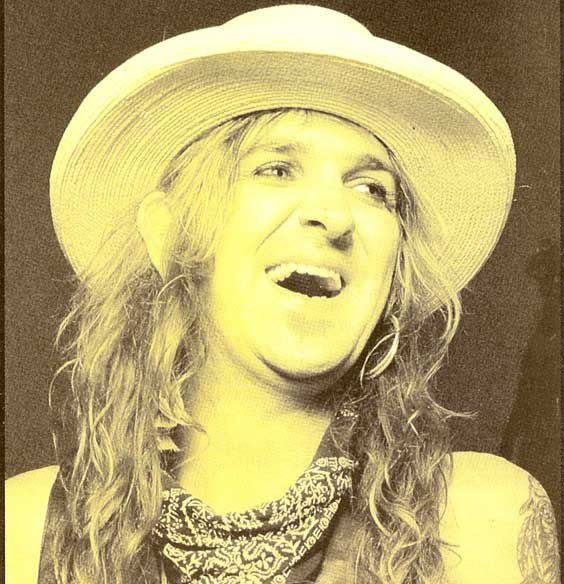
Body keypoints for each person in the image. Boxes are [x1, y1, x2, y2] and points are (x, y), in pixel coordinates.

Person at [5, 5, 559, 584]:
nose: (334, 215)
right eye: (275, 169)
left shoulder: (479, 520)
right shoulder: (22, 533)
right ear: (169, 234)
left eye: (373, 189)